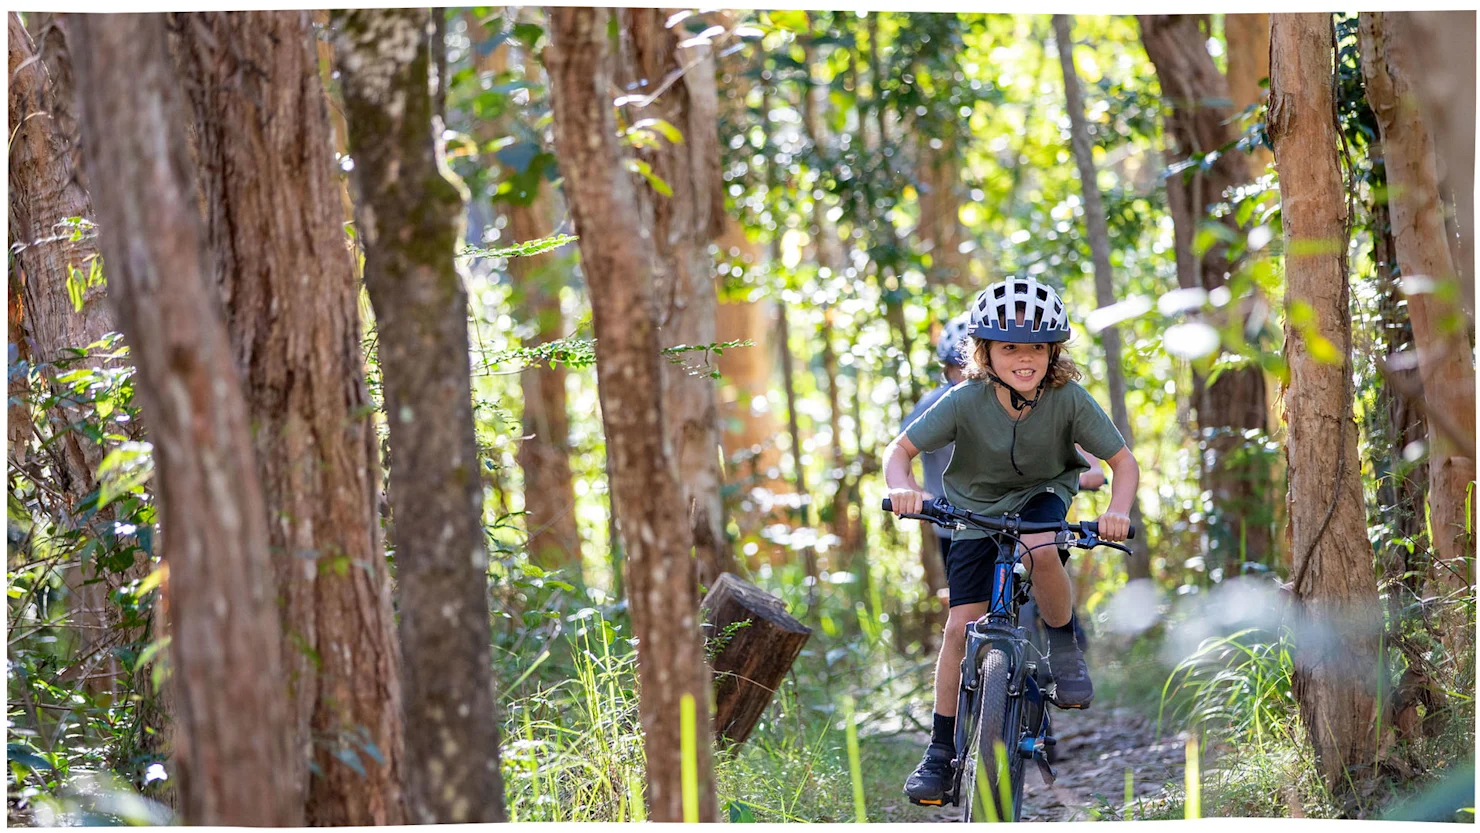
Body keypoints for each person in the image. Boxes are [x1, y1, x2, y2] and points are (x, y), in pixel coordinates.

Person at [882, 277, 1140, 806]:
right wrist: (901, 487)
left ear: (1054, 352)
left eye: (1037, 348)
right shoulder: (963, 400)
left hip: (1042, 496)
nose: (1024, 359)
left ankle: (1064, 649)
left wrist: (1117, 509)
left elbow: (1122, 462)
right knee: (959, 624)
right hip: (974, 511)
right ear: (985, 353)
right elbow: (899, 451)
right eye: (1009, 347)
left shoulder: (1069, 398)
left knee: (1043, 548)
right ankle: (939, 749)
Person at [902, 314, 973, 569]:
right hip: (951, 520)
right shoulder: (935, 404)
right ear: (948, 369)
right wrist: (914, 492)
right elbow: (901, 450)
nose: (968, 375)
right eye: (960, 368)